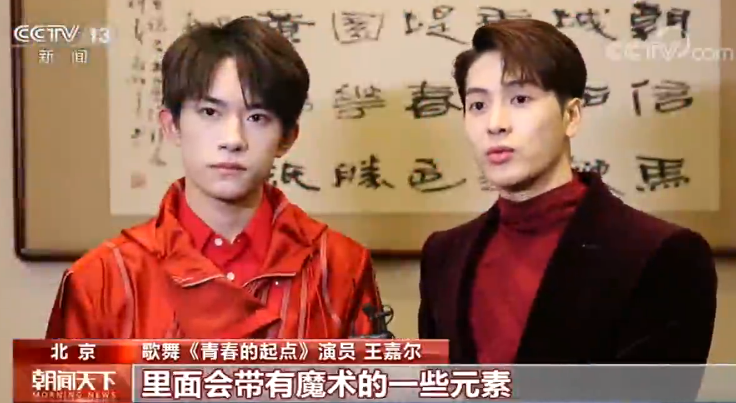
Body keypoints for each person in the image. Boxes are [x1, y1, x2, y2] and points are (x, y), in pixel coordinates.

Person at [46, 17, 382, 339]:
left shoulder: (340, 267)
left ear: (287, 138)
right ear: (172, 126)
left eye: (257, 117)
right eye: (210, 112)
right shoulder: (101, 278)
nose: (233, 140)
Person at [418, 19, 717, 368]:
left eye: (520, 99)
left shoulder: (663, 254)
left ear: (571, 116)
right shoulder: (443, 255)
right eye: (478, 106)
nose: (495, 124)